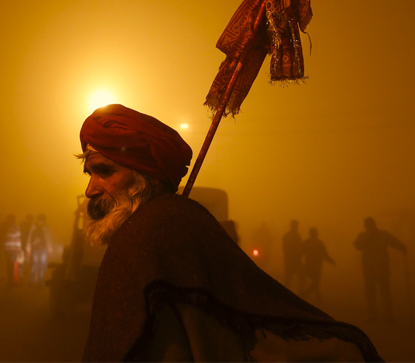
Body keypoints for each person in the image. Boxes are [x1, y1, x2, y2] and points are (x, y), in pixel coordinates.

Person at [79, 104, 381, 362]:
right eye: (89, 173)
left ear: (143, 177)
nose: (90, 189)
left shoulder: (155, 228)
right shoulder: (167, 219)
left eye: (104, 171)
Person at [354, 217, 407, 323]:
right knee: (373, 294)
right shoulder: (364, 236)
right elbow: (357, 245)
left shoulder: (382, 235)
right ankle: (374, 315)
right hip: (372, 269)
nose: (370, 227)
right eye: (368, 225)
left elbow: (394, 242)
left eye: (370, 225)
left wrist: (402, 247)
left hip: (379, 269)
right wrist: (401, 246)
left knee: (384, 293)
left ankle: (387, 315)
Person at [301, 227, 335, 303]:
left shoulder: (307, 242)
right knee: (315, 282)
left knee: (315, 282)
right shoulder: (319, 243)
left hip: (309, 265)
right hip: (316, 266)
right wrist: (331, 261)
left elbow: (301, 252)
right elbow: (324, 254)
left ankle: (317, 298)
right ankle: (307, 295)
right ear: (316, 234)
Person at [26, 214, 53, 286]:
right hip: (41, 249)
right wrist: (50, 250)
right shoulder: (44, 227)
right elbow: (48, 239)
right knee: (40, 265)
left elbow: (30, 237)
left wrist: (28, 248)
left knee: (38, 264)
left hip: (38, 249)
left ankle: (35, 280)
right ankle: (37, 280)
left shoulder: (35, 227)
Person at [282, 219, 305, 293]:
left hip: (293, 259)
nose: (297, 227)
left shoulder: (292, 235)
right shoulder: (294, 236)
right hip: (293, 259)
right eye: (296, 226)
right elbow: (285, 248)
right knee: (292, 277)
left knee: (296, 277)